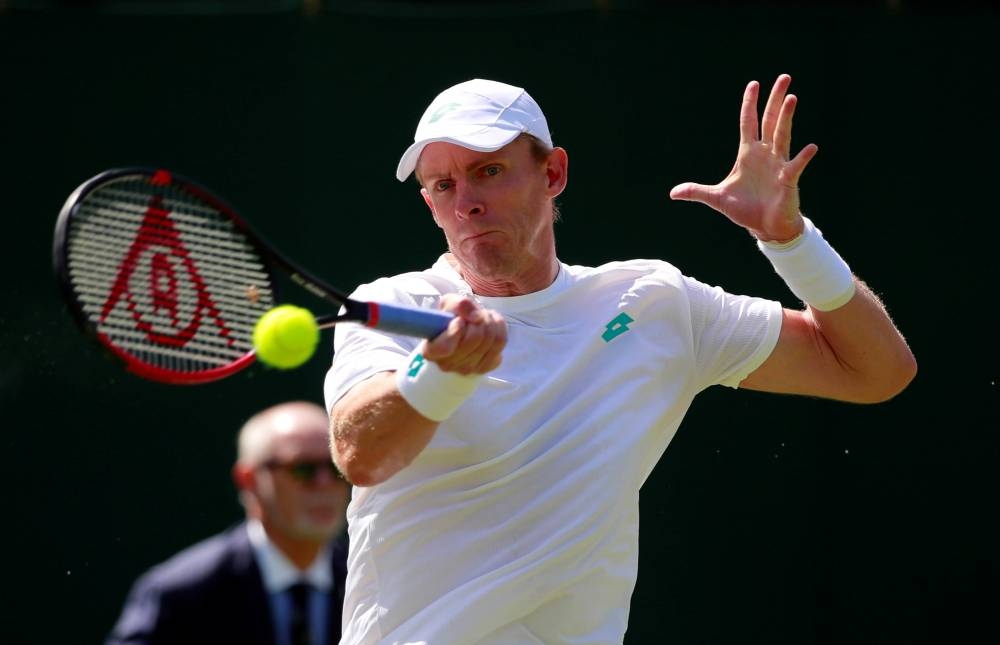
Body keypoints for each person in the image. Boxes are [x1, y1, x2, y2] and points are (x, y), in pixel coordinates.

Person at [324, 76, 917, 644]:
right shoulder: (393, 305)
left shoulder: (653, 302)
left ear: (553, 173)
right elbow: (359, 454)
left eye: (490, 172)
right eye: (443, 186)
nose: (467, 203)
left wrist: (790, 241)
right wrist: (439, 373)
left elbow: (875, 371)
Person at [107, 401, 350, 645]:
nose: (325, 483)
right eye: (303, 469)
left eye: (336, 467)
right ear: (249, 479)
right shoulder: (181, 594)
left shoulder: (372, 581)